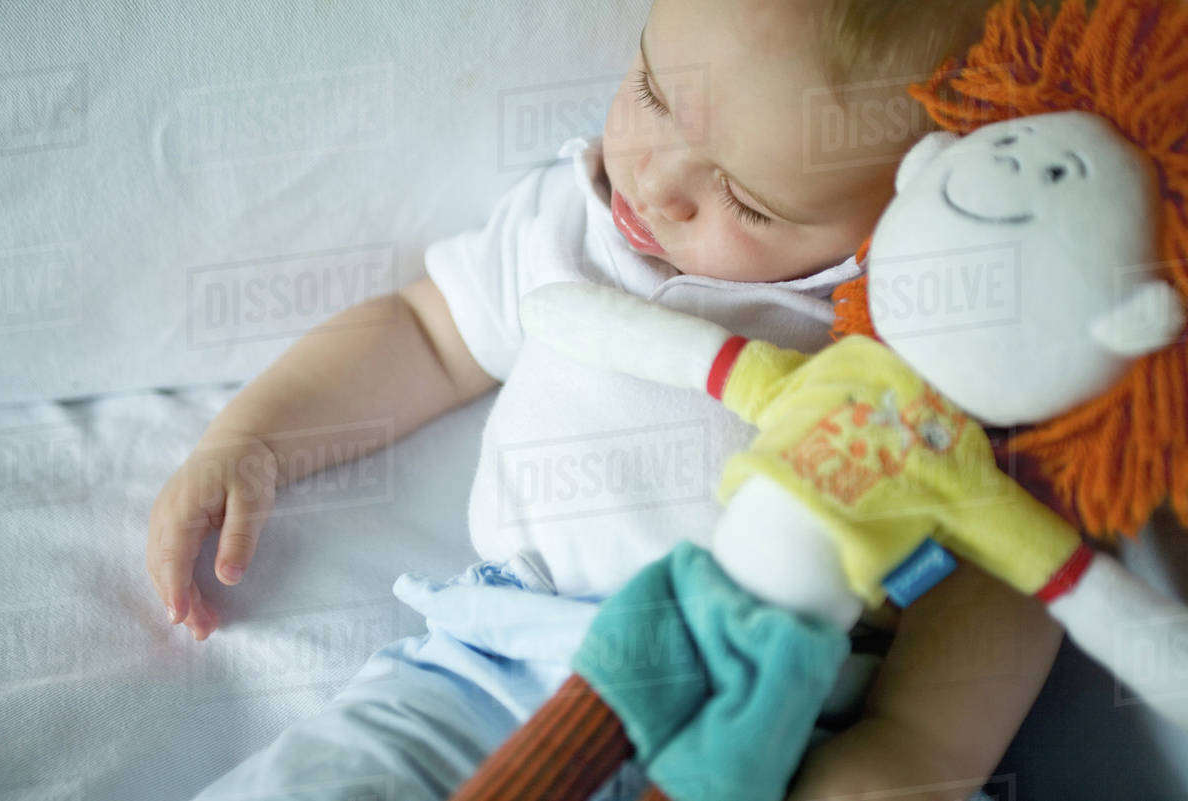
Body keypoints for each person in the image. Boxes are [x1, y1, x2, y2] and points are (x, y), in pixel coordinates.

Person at [149, 1, 1064, 799]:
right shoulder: (572, 221)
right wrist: (254, 439)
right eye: (654, 94)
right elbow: (422, 335)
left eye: (746, 201)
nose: (655, 180)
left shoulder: (911, 331)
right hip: (501, 668)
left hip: (781, 725)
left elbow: (1007, 550)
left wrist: (918, 744)